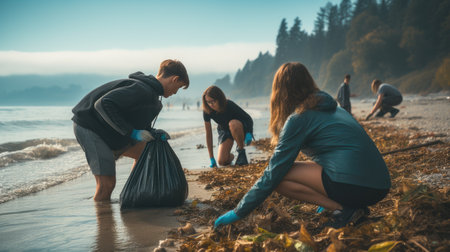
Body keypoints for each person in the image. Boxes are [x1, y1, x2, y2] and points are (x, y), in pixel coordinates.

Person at [214, 62, 391, 229]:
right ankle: (346, 204)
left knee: (280, 178)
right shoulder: (334, 108)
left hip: (358, 186)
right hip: (380, 185)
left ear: (280, 92)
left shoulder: (299, 118)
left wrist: (238, 212)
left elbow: (273, 173)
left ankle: (343, 208)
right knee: (284, 171)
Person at [72, 59, 189, 201]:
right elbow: (102, 104)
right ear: (174, 79)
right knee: (107, 184)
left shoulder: (153, 97)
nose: (175, 93)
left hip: (110, 131)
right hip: (90, 127)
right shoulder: (141, 89)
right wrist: (132, 133)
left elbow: (139, 123)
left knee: (146, 151)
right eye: (178, 87)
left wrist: (154, 133)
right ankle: (103, 220)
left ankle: (133, 192)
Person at [202, 85, 254, 167]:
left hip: (239, 127)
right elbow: (208, 134)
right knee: (222, 161)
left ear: (219, 99)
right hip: (224, 130)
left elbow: (248, 118)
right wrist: (211, 158)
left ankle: (241, 152)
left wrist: (249, 133)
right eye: (208, 102)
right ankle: (233, 156)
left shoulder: (229, 104)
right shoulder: (207, 110)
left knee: (232, 123)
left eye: (213, 101)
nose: (211, 104)